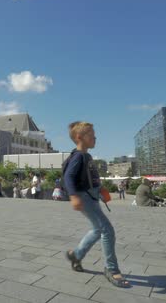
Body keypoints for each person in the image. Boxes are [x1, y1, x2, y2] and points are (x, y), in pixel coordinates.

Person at [63, 121, 129, 288]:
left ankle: (76, 255)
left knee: (98, 229)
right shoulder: (78, 156)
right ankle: (111, 269)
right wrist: (73, 196)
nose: (95, 137)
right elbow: (69, 177)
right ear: (80, 137)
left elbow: (90, 178)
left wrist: (101, 188)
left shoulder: (87, 156)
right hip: (83, 198)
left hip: (91, 197)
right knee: (107, 230)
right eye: (91, 135)